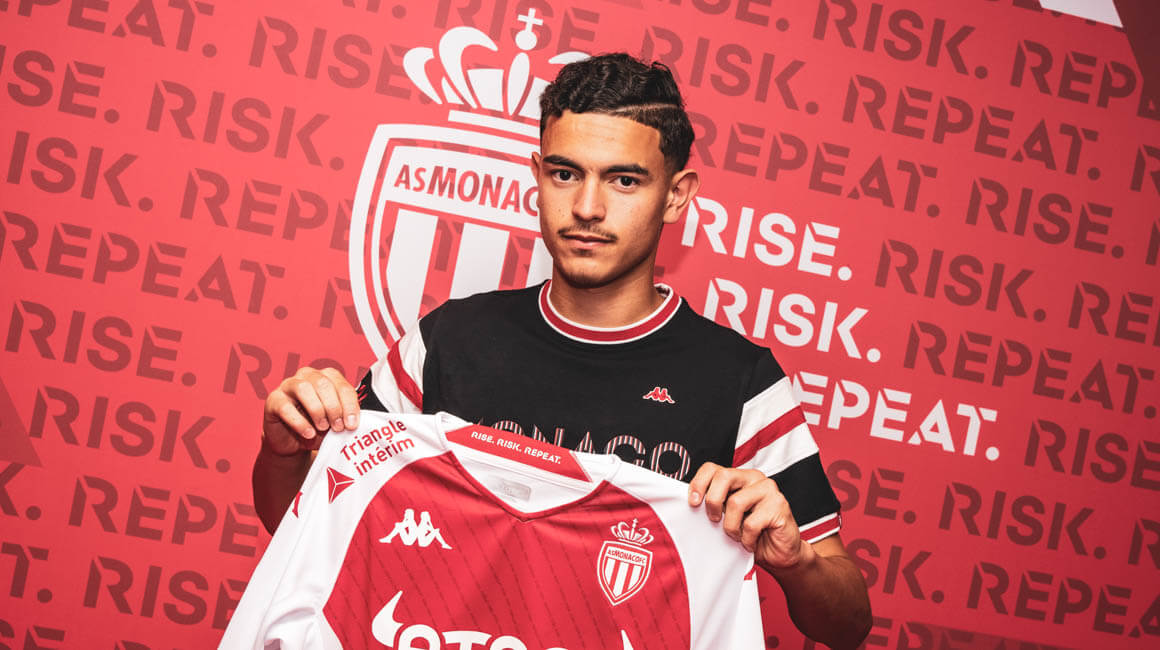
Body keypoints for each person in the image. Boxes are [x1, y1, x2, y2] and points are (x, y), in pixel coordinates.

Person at [254, 53, 872, 648]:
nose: (586, 208)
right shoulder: (449, 339)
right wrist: (284, 453)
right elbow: (300, 526)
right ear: (537, 174)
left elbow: (847, 624)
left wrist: (796, 561)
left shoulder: (740, 383)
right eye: (565, 173)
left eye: (624, 180)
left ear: (677, 195)